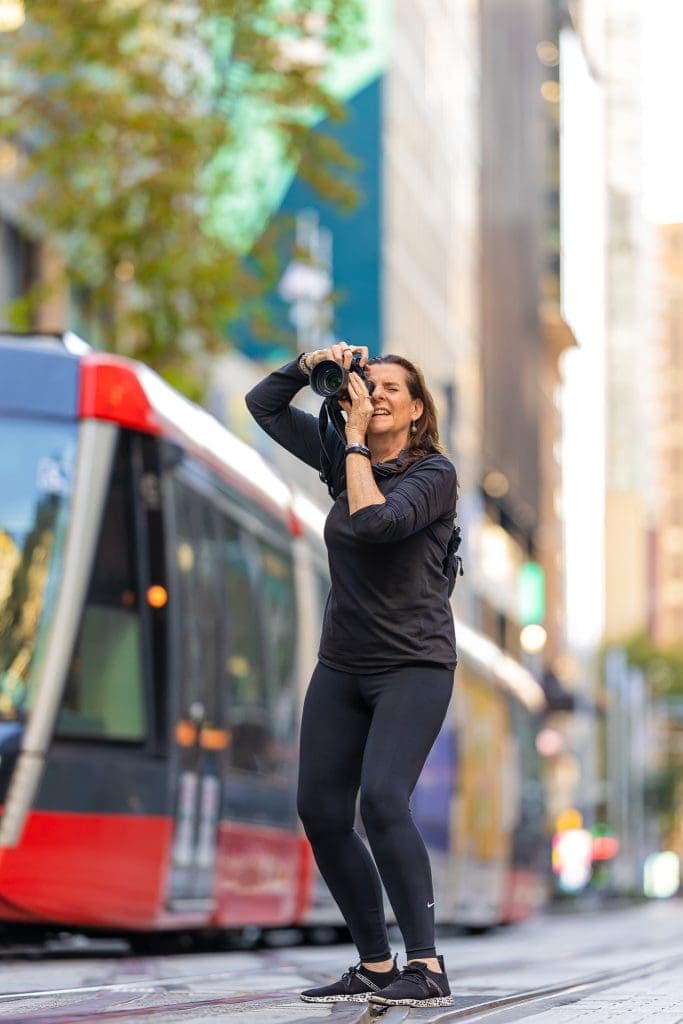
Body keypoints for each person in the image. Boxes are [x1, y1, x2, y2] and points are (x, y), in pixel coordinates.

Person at [245, 340, 457, 1009]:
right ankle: (374, 963)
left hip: (413, 664)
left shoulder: (434, 474)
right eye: (371, 382)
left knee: (383, 800)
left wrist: (356, 440)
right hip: (342, 663)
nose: (378, 393)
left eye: (393, 387)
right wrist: (309, 364)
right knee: (320, 809)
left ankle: (426, 966)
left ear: (417, 410)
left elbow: (374, 523)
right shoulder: (345, 456)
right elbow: (263, 406)